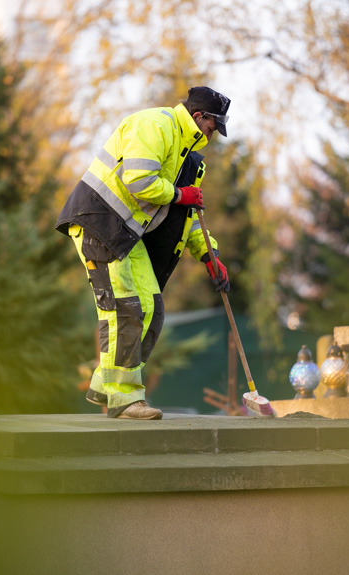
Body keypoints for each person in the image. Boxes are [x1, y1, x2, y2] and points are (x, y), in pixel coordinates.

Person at [55, 86, 232, 420]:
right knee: (126, 309)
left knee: (152, 307)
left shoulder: (187, 156)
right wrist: (180, 194)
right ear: (198, 117)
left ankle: (106, 385)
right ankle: (123, 398)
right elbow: (138, 180)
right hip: (99, 221)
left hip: (125, 234)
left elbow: (186, 218)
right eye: (212, 126)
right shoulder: (156, 125)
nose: (213, 134)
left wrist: (211, 255)